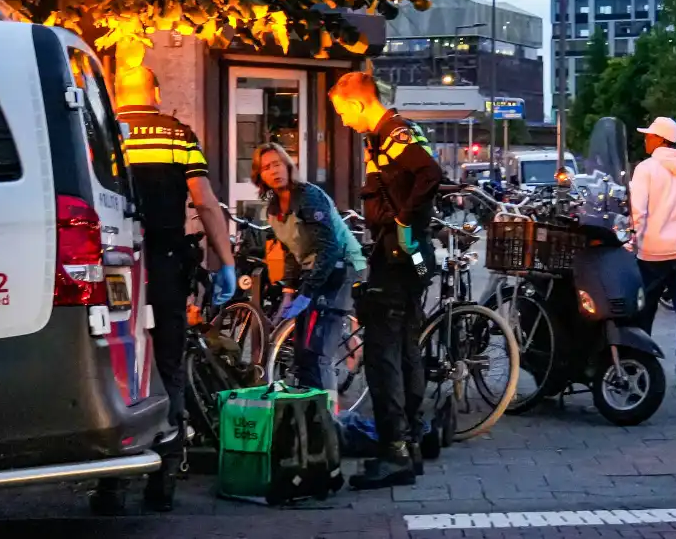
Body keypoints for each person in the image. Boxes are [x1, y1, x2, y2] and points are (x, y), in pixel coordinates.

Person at [90, 42, 237, 514]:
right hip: (165, 265)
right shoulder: (176, 134)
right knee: (168, 364)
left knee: (114, 367)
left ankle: (111, 483)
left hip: (112, 270)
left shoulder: (102, 133)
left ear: (116, 92)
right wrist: (226, 261)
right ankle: (165, 476)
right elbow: (206, 203)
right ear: (155, 92)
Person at [328, 71, 441, 490]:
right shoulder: (388, 135)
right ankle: (409, 441)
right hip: (407, 253)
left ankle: (394, 450)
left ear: (358, 104)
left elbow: (430, 173)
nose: (342, 121)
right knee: (407, 345)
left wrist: (402, 220)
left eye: (342, 112)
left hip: (397, 255)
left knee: (382, 352)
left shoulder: (393, 133)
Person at [252, 142, 367, 398]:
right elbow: (291, 251)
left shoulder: (308, 196)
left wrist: (306, 292)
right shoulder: (273, 208)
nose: (274, 171)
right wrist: (290, 291)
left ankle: (328, 421)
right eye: (267, 167)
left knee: (317, 354)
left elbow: (328, 248)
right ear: (259, 175)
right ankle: (308, 411)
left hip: (340, 267)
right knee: (303, 352)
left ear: (288, 165)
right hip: (315, 271)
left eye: (278, 163)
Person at [629, 117, 676, 389]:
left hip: (651, 251)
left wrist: (633, 242)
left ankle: (639, 360)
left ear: (661, 139)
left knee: (644, 308)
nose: (645, 139)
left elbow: (639, 211)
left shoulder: (645, 169)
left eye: (649, 136)